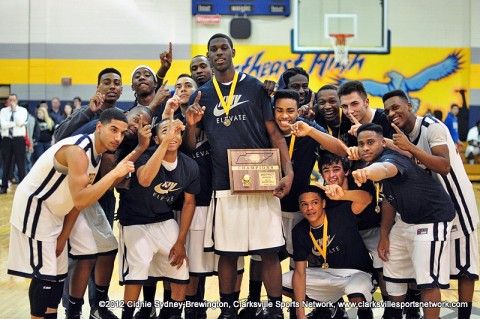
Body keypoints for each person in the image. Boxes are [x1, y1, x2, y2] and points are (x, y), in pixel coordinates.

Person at [185, 33, 294, 319]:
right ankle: (228, 311)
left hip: (263, 180)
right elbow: (189, 145)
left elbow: (275, 134)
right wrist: (192, 125)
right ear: (208, 56)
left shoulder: (255, 87)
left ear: (233, 52)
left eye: (223, 48)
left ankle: (274, 310)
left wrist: (289, 171)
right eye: (213, 49)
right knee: (228, 253)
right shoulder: (203, 94)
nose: (218, 52)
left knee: (269, 251)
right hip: (225, 184)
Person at [7, 107, 134, 319]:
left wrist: (64, 236)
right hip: (36, 207)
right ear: (100, 126)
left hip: (56, 211)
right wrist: (115, 174)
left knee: (60, 272)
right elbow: (82, 198)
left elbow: (78, 204)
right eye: (114, 130)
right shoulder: (78, 151)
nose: (118, 137)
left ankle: (58, 313)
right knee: (45, 275)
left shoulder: (97, 154)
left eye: (122, 133)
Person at [383, 90, 479, 319]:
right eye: (387, 111)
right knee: (431, 269)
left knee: (465, 268)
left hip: (457, 201)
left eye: (396, 107)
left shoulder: (431, 126)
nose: (391, 113)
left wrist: (410, 147)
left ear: (409, 105)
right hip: (432, 208)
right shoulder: (399, 135)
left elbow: (443, 165)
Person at [352, 123, 455, 319]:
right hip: (406, 220)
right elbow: (390, 202)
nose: (365, 147)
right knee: (392, 272)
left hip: (432, 220)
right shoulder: (375, 160)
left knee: (427, 281)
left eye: (370, 142)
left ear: (383, 143)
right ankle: (394, 315)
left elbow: (384, 169)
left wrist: (367, 172)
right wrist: (384, 235)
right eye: (361, 144)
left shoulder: (391, 159)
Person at [117, 116, 199, 319]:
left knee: (180, 265)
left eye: (176, 132)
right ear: (155, 139)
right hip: (134, 220)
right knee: (139, 268)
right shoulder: (145, 156)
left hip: (163, 218)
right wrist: (164, 143)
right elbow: (145, 180)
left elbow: (189, 203)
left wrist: (180, 241)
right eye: (165, 131)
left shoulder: (189, 166)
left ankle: (173, 315)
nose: (172, 135)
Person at [281, 184, 374, 319]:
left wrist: (344, 194)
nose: (310, 208)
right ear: (300, 208)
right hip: (325, 274)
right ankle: (326, 305)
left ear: (323, 203)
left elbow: (367, 199)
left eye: (314, 202)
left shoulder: (340, 214)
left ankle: (365, 313)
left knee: (355, 291)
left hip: (356, 273)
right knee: (280, 282)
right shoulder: (299, 231)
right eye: (304, 204)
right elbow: (300, 273)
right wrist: (300, 312)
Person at [0, 94, 28, 194]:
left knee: (20, 163)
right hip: (7, 139)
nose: (12, 102)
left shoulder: (22, 110)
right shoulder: (3, 111)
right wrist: (15, 124)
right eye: (10, 100)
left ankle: (23, 189)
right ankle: (3, 187)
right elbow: (3, 125)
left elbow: (20, 122)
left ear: (17, 101)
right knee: (6, 163)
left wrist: (14, 111)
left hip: (19, 139)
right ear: (8, 101)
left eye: (14, 100)